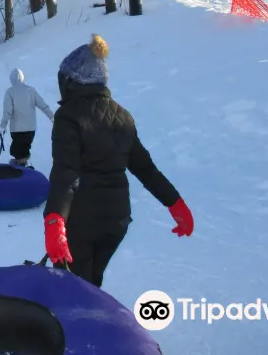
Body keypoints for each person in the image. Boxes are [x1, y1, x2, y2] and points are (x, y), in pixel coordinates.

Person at [43, 34, 194, 288]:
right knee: (90, 283)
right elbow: (145, 168)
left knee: (73, 290)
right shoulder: (122, 116)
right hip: (116, 220)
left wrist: (54, 219)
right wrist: (175, 203)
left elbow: (66, 172)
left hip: (81, 221)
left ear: (71, 81)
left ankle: (81, 326)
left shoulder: (68, 116)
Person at [0, 68, 54, 167]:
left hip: (16, 130)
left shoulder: (10, 92)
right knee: (22, 150)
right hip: (30, 129)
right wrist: (53, 118)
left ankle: (20, 170)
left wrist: (3, 126)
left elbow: (7, 111)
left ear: (11, 79)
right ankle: (22, 167)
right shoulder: (31, 91)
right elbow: (43, 105)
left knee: (18, 151)